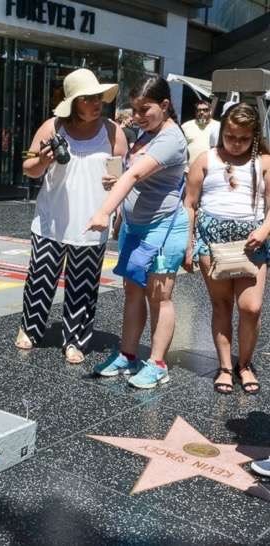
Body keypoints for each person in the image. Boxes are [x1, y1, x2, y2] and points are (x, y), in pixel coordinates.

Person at [16, 68, 127, 364]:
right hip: (52, 219)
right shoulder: (53, 127)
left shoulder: (113, 131)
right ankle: (30, 327)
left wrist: (114, 187)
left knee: (84, 285)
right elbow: (28, 168)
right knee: (40, 278)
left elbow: (121, 176)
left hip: (92, 221)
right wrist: (41, 160)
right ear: (74, 102)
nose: (95, 103)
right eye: (87, 98)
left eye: (97, 97)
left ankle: (75, 340)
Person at [86, 76, 188, 389]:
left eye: (146, 109)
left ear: (166, 106)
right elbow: (129, 178)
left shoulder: (171, 139)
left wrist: (104, 211)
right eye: (135, 109)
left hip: (163, 227)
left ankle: (157, 363)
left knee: (159, 297)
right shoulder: (145, 133)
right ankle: (127, 355)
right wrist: (118, 210)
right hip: (135, 226)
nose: (139, 115)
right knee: (132, 292)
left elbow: (133, 175)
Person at [184, 103, 270, 394]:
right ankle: (224, 366)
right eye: (230, 137)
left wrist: (264, 230)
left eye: (243, 138)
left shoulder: (264, 162)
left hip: (252, 242)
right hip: (212, 241)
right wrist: (189, 243)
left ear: (254, 137)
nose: (235, 144)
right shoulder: (205, 159)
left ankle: (244, 364)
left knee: (251, 307)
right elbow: (190, 204)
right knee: (221, 305)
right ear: (222, 132)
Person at [181, 99, 219, 167]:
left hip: (210, 169)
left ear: (210, 111)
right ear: (195, 112)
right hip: (189, 169)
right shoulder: (186, 126)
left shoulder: (218, 126)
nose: (202, 112)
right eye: (199, 110)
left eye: (205, 110)